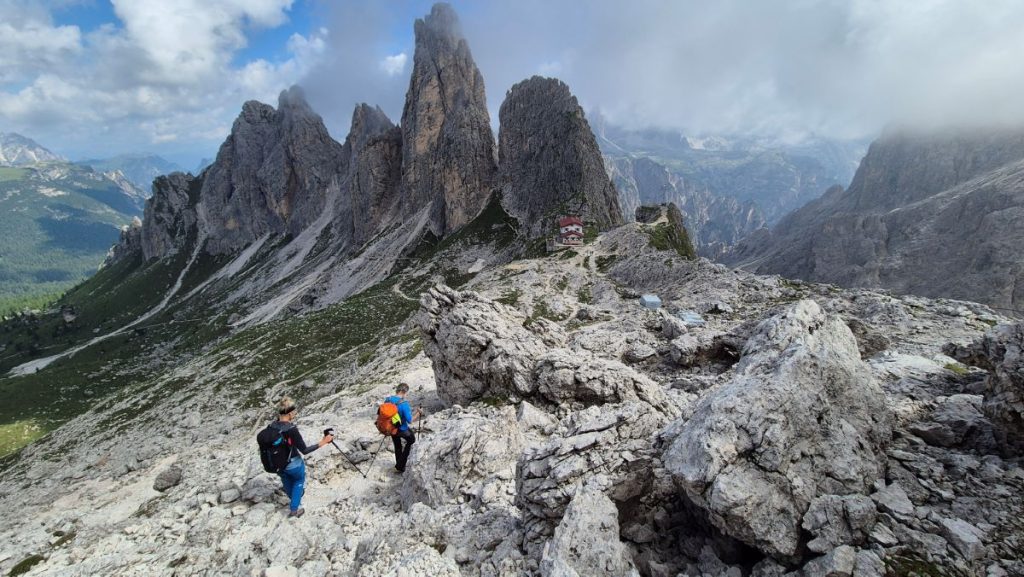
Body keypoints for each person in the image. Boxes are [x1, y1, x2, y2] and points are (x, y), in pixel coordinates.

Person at [273, 396, 333, 518]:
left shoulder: (272, 426)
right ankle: (295, 509)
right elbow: (304, 450)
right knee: (298, 481)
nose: (295, 414)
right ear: (290, 414)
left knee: (286, 481)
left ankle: (295, 500)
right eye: (294, 412)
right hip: (293, 463)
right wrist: (323, 442)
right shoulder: (291, 429)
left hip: (277, 463)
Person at [384, 383, 422, 473]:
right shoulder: (404, 403)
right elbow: (410, 420)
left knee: (397, 445)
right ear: (403, 391)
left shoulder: (388, 400)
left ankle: (399, 466)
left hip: (391, 427)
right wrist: (418, 413)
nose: (406, 394)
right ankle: (401, 465)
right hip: (402, 429)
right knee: (411, 440)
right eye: (406, 392)